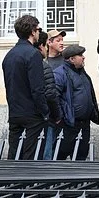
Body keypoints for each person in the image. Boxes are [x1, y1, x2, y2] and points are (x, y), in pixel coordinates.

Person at [2, 15, 50, 160]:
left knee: (15, 155)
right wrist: (45, 111)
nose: (39, 33)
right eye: (38, 30)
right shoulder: (33, 54)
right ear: (32, 31)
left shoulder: (9, 55)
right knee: (31, 158)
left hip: (15, 112)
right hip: (32, 114)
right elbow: (37, 88)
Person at [54, 45, 99, 160]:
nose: (83, 58)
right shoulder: (60, 73)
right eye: (80, 55)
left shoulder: (82, 73)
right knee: (61, 154)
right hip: (69, 124)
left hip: (84, 124)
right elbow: (54, 96)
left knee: (81, 156)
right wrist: (60, 116)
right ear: (71, 59)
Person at [34, 31, 63, 160]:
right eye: (58, 40)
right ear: (48, 43)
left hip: (61, 113)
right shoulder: (43, 63)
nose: (62, 43)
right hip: (48, 115)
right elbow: (49, 93)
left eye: (62, 40)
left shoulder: (66, 60)